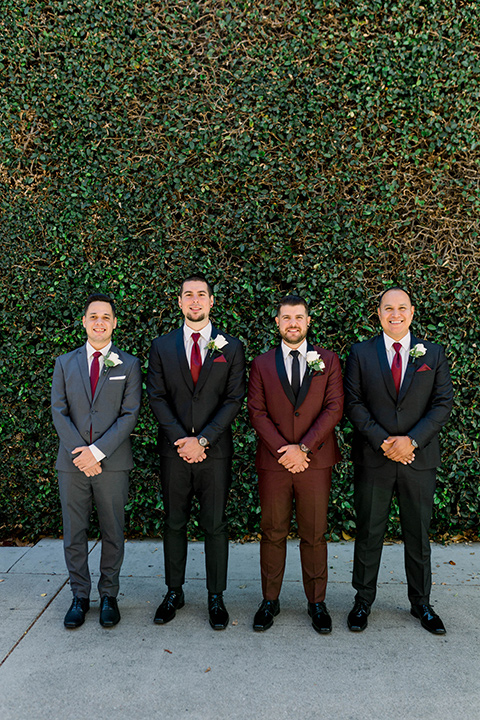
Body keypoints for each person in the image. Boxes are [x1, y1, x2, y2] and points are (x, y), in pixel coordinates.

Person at [344, 287, 453, 634]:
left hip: (417, 460)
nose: (395, 314)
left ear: (412, 311)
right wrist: (384, 442)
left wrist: (413, 441)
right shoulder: (360, 353)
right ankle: (362, 602)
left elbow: (442, 403)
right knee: (368, 532)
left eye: (401, 308)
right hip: (374, 459)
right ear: (378, 313)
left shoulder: (432, 354)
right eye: (388, 308)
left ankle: (421, 603)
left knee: (418, 535)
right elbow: (354, 403)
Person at [147, 274, 245, 630]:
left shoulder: (230, 347)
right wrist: (182, 440)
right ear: (179, 302)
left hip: (214, 453)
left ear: (211, 302)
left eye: (201, 295)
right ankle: (174, 592)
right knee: (174, 522)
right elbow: (156, 396)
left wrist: (202, 440)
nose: (195, 301)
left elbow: (234, 399)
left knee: (215, 525)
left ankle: (215, 596)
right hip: (174, 453)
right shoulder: (161, 346)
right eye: (188, 295)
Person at [247, 295, 344, 633]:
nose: (292, 323)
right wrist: (283, 450)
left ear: (308, 321)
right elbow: (256, 413)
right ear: (277, 323)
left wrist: (302, 448)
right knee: (272, 532)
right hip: (274, 464)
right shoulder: (260, 364)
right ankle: (269, 600)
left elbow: (334, 408)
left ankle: (317, 603)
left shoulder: (328, 361)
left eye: (298, 317)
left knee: (314, 534)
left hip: (314, 463)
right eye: (286, 317)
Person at [51, 294, 142, 628]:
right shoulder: (64, 363)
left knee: (112, 531)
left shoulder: (129, 364)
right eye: (93, 316)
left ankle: (108, 596)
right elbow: (58, 411)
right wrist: (82, 453)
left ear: (114, 322)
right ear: (84, 321)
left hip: (112, 463)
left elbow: (129, 415)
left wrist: (98, 452)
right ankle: (79, 596)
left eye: (106, 316)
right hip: (72, 464)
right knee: (74, 532)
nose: (99, 322)